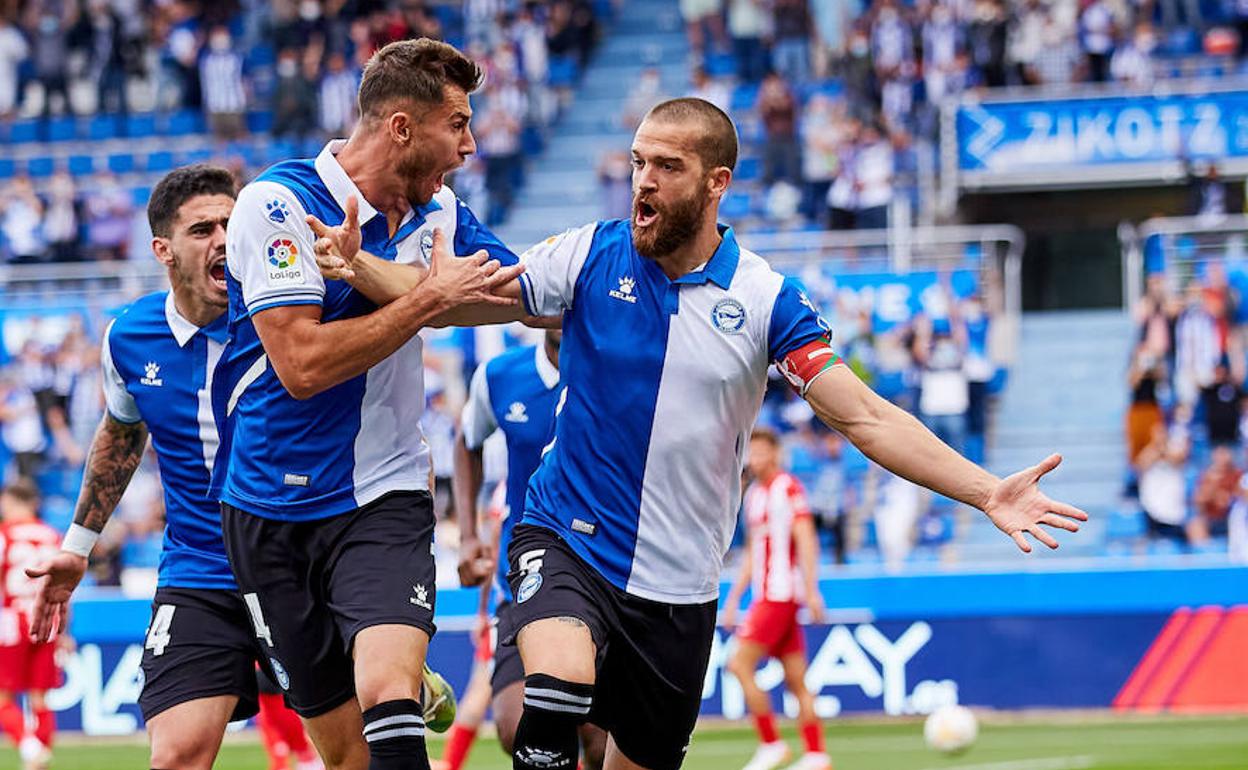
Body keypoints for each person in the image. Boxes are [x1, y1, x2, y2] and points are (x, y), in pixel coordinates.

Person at [315, 97, 1087, 770]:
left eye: (667, 167)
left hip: (680, 587)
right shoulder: (587, 253)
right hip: (565, 538)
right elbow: (456, 298)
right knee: (551, 693)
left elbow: (865, 416)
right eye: (637, 162)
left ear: (717, 183)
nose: (643, 181)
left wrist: (987, 491)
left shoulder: (765, 300)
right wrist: (360, 272)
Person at [21, 165, 454, 770]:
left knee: (353, 757)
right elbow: (121, 433)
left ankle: (388, 659)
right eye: (204, 229)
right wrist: (78, 544)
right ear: (163, 251)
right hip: (201, 568)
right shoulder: (128, 338)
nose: (225, 239)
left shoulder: (288, 314)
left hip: (299, 553)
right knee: (176, 754)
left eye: (232, 222)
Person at [212, 38, 522, 770]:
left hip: (384, 494)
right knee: (348, 757)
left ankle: (398, 665)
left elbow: (514, 296)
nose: (471, 145)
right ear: (403, 129)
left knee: (387, 695)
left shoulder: (442, 212)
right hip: (267, 512)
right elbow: (303, 366)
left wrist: (379, 275)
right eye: (458, 124)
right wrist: (426, 300)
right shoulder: (277, 204)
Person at [452, 329, 606, 768]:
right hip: (525, 575)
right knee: (517, 728)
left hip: (606, 573)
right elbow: (467, 442)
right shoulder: (501, 375)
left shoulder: (616, 364)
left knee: (599, 740)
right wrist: (468, 535)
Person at [722, 429, 831, 770]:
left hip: (780, 594)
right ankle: (816, 754)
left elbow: (806, 538)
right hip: (765, 593)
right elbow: (754, 551)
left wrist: (812, 590)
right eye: (751, 452)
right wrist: (734, 598)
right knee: (796, 677)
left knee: (738, 664)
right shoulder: (754, 494)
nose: (754, 458)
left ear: (775, 454)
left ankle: (772, 744)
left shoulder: (788, 487)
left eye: (760, 452)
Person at [0, 478, 63, 770]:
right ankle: (38, 758)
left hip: (11, 621)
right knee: (40, 699)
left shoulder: (5, 535)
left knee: (3, 697)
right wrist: (65, 631)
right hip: (48, 621)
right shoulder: (52, 536)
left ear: (13, 502)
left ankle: (29, 747)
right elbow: (65, 589)